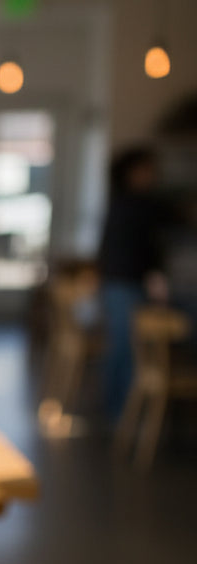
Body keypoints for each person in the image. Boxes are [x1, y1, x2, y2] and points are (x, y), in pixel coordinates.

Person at [96, 145, 172, 421]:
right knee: (125, 350)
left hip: (120, 283)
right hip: (122, 284)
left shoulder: (127, 204)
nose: (153, 176)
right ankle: (123, 414)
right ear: (131, 173)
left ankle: (124, 413)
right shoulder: (134, 206)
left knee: (125, 349)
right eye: (147, 170)